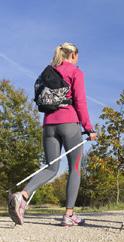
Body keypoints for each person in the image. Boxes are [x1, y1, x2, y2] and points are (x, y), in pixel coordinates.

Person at [8, 42, 97, 226]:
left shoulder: (48, 71)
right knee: (75, 168)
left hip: (48, 125)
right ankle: (69, 215)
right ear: (73, 55)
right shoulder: (75, 72)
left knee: (51, 167)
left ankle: (22, 196)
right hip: (69, 124)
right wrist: (89, 128)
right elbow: (80, 102)